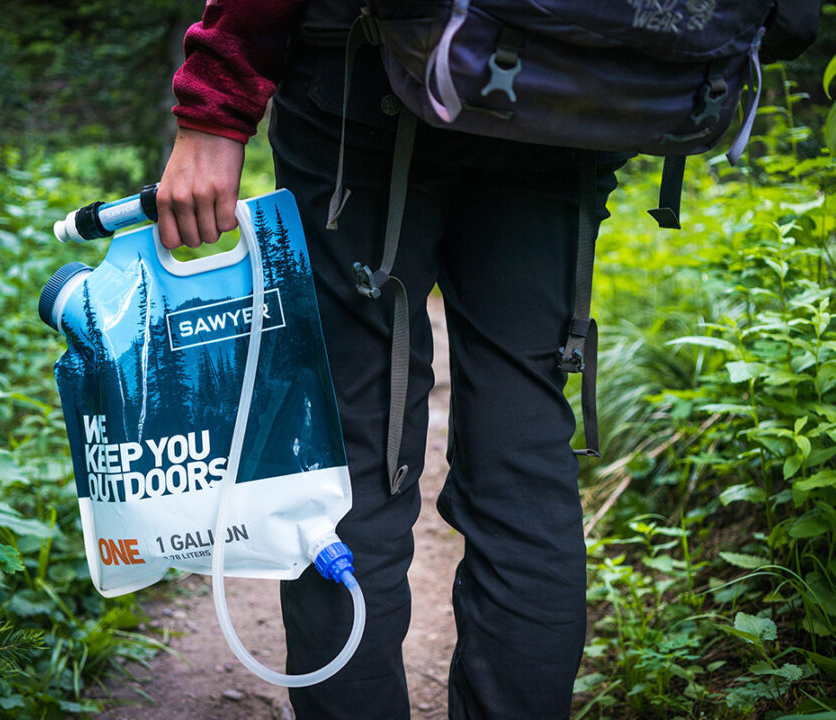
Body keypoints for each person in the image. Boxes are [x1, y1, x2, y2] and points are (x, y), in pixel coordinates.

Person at [156, 2, 625, 718]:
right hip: (559, 91)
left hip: (364, 76)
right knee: (523, 456)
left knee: (350, 453)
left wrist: (214, 105)